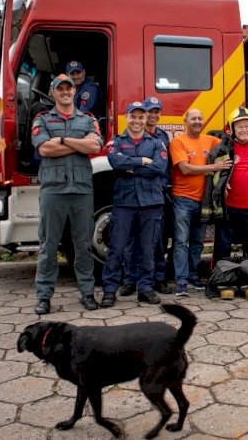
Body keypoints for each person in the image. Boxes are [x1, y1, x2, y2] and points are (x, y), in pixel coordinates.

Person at [30, 74, 103, 315]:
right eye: (59, 89)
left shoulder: (88, 119)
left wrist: (61, 139)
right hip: (53, 190)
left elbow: (95, 146)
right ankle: (43, 297)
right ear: (53, 93)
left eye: (68, 88)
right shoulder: (42, 119)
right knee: (48, 246)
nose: (64, 92)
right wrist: (77, 143)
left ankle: (87, 293)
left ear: (74, 91)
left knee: (83, 245)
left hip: (82, 190)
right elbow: (44, 148)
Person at [99, 101, 169, 307]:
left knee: (148, 249)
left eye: (141, 117)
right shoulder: (116, 141)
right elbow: (115, 162)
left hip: (151, 202)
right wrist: (142, 161)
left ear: (145, 119)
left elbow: (159, 167)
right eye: (134, 116)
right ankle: (110, 291)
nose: (137, 121)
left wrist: (130, 167)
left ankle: (145, 289)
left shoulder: (157, 142)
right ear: (126, 118)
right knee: (116, 247)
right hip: (125, 203)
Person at [169, 109, 232, 297]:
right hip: (183, 199)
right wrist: (214, 167)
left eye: (200, 118)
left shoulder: (210, 140)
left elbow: (227, 149)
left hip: (203, 201)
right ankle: (181, 280)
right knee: (181, 241)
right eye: (193, 118)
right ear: (185, 121)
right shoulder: (177, 142)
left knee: (198, 242)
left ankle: (193, 276)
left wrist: (224, 181)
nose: (197, 121)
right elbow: (185, 168)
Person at [208, 107, 248, 298]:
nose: (244, 130)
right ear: (232, 129)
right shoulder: (224, 148)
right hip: (228, 207)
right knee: (223, 245)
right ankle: (221, 280)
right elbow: (214, 173)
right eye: (239, 127)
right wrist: (220, 186)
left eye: (247, 126)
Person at [118, 97, 173, 296]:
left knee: (157, 240)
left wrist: (138, 168)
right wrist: (141, 165)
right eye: (150, 111)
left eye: (157, 111)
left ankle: (159, 278)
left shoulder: (163, 137)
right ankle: (130, 280)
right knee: (132, 241)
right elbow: (122, 165)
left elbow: (162, 167)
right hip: (133, 194)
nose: (153, 115)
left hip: (156, 194)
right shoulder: (131, 138)